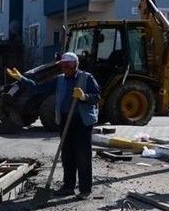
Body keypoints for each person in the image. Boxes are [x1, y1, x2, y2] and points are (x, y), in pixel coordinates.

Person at [6, 52, 101, 199]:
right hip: (65, 120)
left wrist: (84, 97)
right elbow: (38, 88)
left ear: (75, 65)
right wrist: (22, 79)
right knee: (67, 156)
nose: (64, 68)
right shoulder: (59, 80)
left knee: (82, 156)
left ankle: (85, 189)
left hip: (82, 122)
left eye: (67, 65)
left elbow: (97, 97)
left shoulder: (86, 78)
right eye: (63, 65)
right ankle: (68, 186)